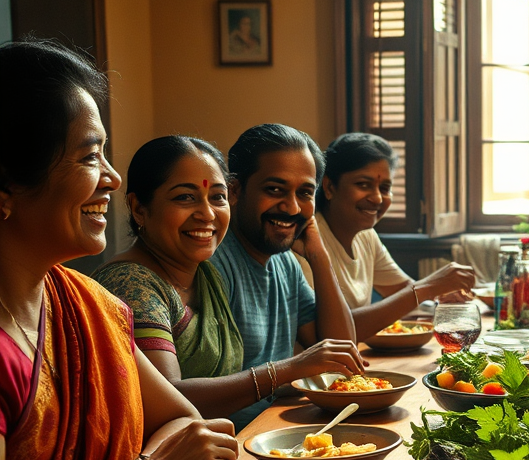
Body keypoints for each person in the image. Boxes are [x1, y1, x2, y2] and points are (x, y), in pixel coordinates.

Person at [0, 40, 238, 460]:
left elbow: (178, 418)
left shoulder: (86, 304)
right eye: (90, 156)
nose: (110, 177)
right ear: (6, 187)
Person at [93, 137, 362, 420]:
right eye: (185, 197)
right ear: (138, 208)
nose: (207, 214)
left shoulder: (204, 274)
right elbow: (166, 402)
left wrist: (319, 257)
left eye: (217, 197)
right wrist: (287, 370)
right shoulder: (130, 284)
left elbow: (338, 354)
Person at [211, 124, 365, 429]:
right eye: (274, 190)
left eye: (305, 193)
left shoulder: (286, 262)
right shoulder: (213, 261)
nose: (292, 207)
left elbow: (341, 354)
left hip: (275, 426)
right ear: (235, 190)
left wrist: (319, 258)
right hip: (232, 441)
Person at [306, 133, 475, 341]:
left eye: (385, 188)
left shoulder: (366, 236)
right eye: (363, 184)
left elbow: (402, 292)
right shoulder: (306, 243)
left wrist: (442, 299)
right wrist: (428, 287)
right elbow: (331, 333)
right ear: (330, 187)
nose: (377, 198)